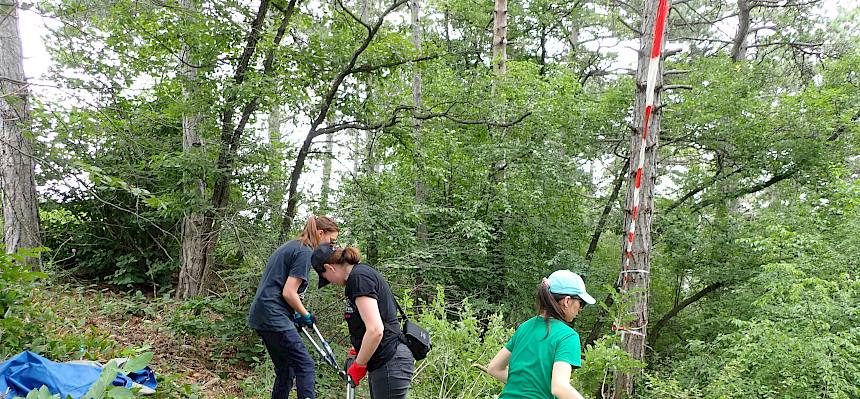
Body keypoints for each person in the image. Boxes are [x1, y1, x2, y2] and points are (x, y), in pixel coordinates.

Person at [248, 216, 340, 399]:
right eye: (331, 241)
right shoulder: (305, 252)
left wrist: (295, 313)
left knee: (286, 370)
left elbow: (281, 287)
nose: (331, 247)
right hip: (274, 315)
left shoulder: (292, 246)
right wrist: (304, 314)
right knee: (305, 365)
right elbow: (289, 292)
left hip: (262, 315)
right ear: (321, 234)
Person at [310, 243, 414, 399]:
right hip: (385, 361)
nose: (329, 282)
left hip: (390, 359)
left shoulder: (359, 279)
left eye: (325, 278)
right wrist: (358, 349)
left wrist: (359, 365)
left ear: (329, 267)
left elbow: (375, 330)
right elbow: (370, 323)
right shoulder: (360, 275)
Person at [486, 270, 596, 399]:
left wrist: (528, 386)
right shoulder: (567, 336)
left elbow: (494, 368)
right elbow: (559, 388)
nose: (580, 309)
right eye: (581, 303)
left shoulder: (525, 327)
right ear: (567, 301)